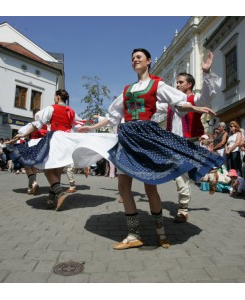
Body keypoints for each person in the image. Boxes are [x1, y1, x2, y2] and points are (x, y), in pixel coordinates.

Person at [78, 48, 224, 250]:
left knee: (150, 186)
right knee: (123, 187)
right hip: (127, 137)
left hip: (145, 136)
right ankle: (133, 234)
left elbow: (180, 102)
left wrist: (196, 108)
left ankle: (160, 232)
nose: (134, 60)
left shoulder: (157, 85)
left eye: (138, 57)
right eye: (132, 58)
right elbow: (113, 116)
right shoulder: (127, 90)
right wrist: (92, 127)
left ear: (148, 61)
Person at [154, 51, 221, 223]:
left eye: (180, 82)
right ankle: (209, 178)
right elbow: (153, 106)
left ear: (189, 84)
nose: (177, 85)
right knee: (183, 175)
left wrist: (206, 72)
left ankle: (183, 209)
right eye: (176, 82)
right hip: (174, 145)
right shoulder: (171, 104)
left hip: (190, 143)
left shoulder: (194, 99)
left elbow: (208, 95)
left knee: (181, 176)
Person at [11, 89, 81, 209]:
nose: (54, 98)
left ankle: (60, 193)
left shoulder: (51, 108)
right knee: (57, 172)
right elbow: (78, 126)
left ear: (58, 97)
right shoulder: (71, 111)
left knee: (47, 169)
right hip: (65, 142)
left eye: (55, 96)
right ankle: (51, 199)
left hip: (54, 140)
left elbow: (37, 124)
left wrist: (23, 134)